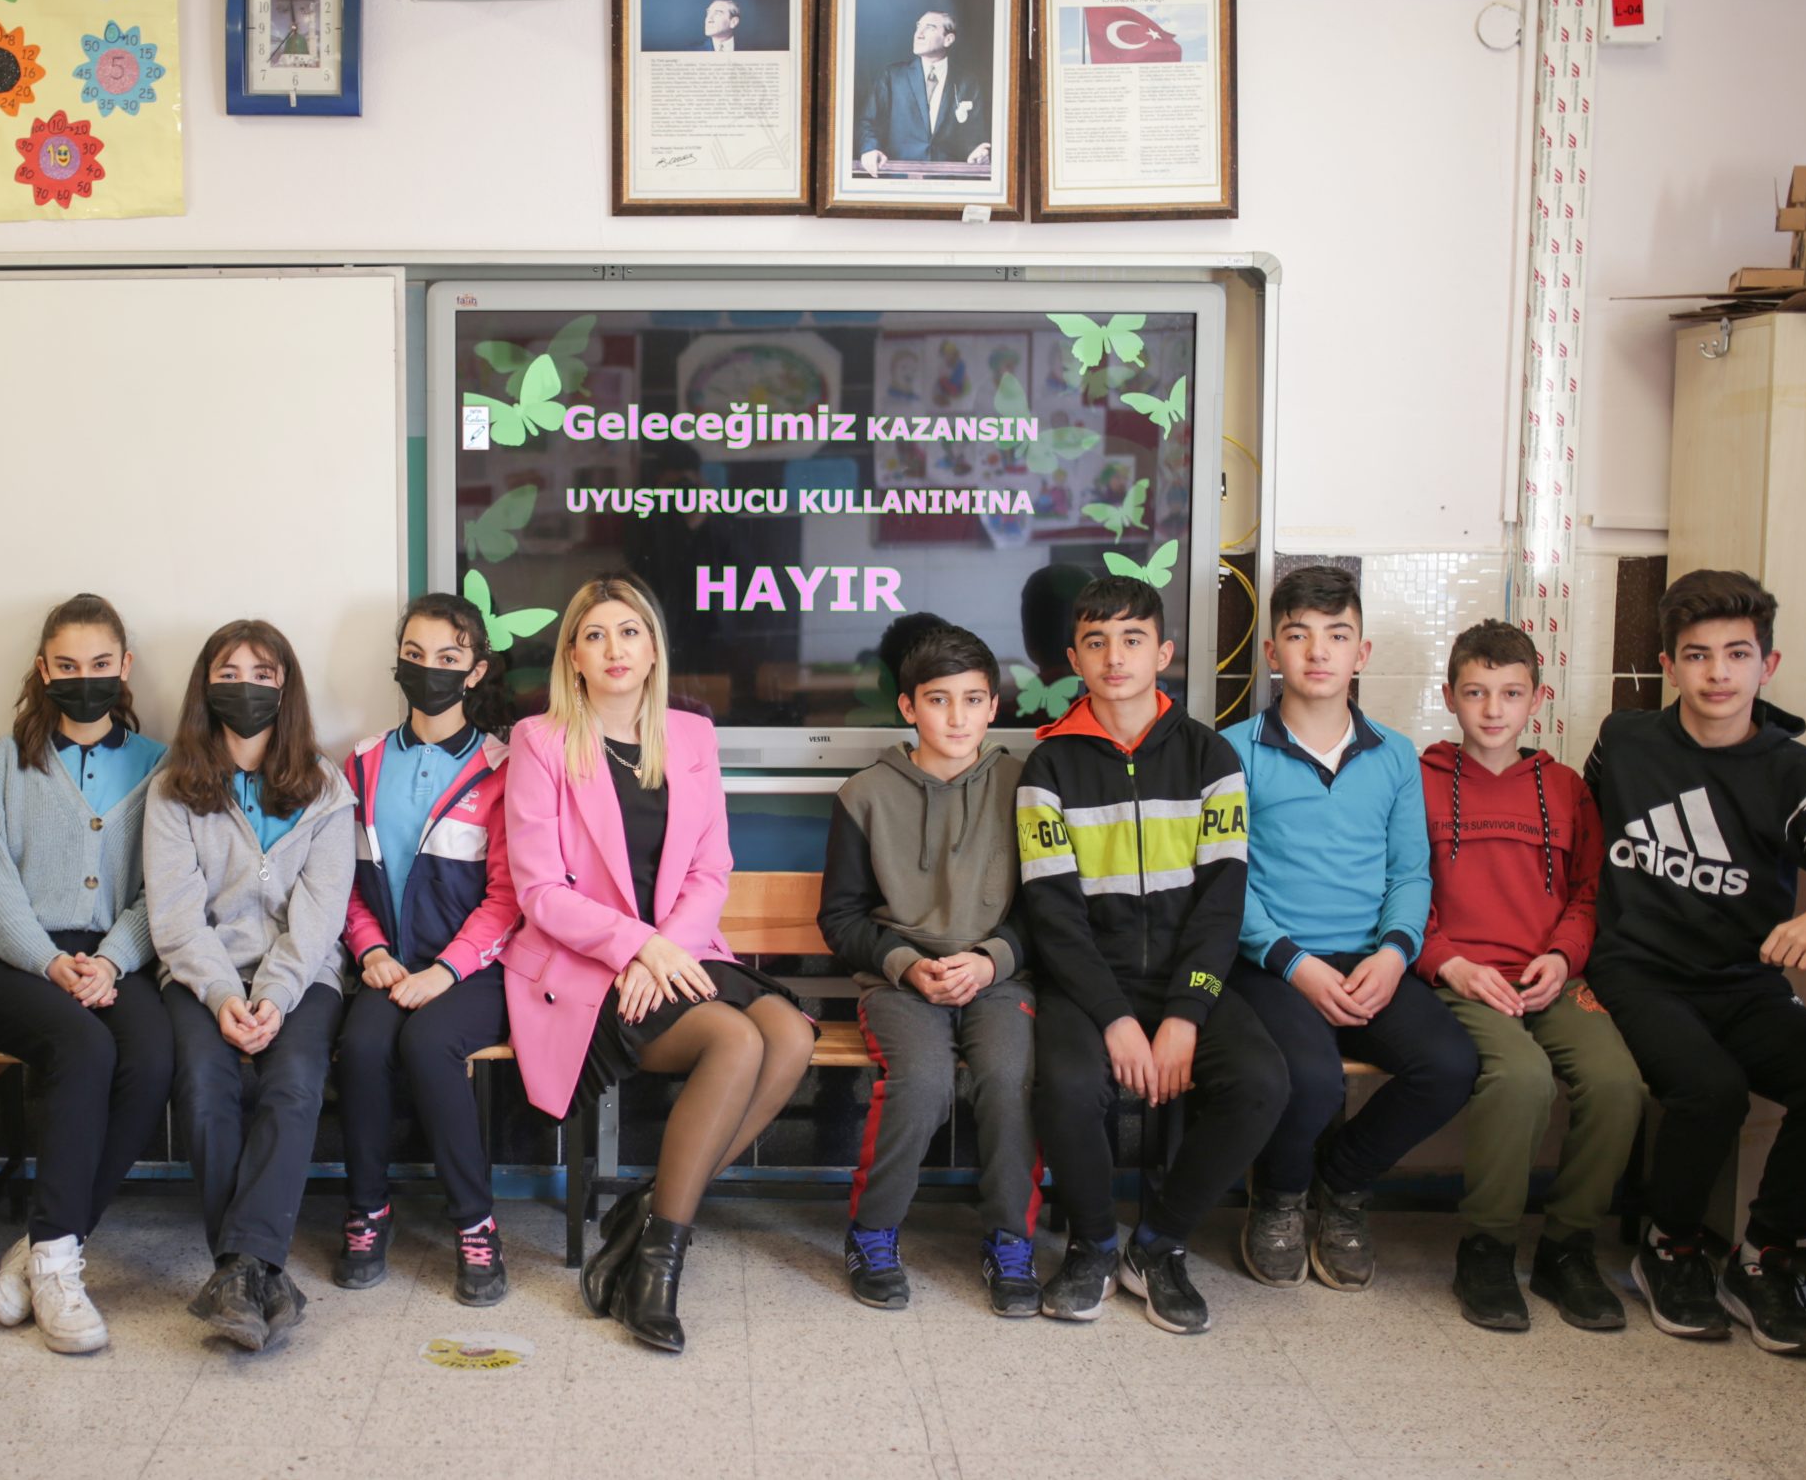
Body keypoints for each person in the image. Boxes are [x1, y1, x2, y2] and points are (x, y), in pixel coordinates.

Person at [503, 574, 814, 1354]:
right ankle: (657, 1268)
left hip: (680, 949)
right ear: (573, 657)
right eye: (596, 634)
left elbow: (712, 869)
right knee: (735, 1041)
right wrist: (638, 946)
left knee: (791, 1034)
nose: (615, 648)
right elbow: (540, 891)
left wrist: (666, 944)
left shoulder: (692, 735)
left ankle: (647, 1205)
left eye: (630, 632)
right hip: (585, 966)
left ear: (652, 651)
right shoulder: (539, 741)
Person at [1587, 570, 1806, 1356]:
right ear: (1668, 665)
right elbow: (1586, 832)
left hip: (1743, 981)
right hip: (1636, 969)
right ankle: (1670, 1247)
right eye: (1697, 654)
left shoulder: (1799, 773)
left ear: (1767, 665)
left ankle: (1764, 1258)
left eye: (1737, 654)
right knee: (1709, 1088)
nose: (1718, 672)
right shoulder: (1624, 740)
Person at [1021, 578, 1283, 1333]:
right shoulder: (1048, 766)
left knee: (1262, 1081)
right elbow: (1054, 915)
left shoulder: (1211, 756)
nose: (1115, 657)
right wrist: (1113, 1017)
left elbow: (1222, 901)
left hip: (1185, 980)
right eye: (1096, 642)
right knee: (1068, 1084)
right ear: (1074, 658)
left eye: (1132, 639)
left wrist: (1185, 1014)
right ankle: (1095, 1244)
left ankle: (1159, 1244)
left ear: (1163, 653)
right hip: (1087, 984)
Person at [1219, 566, 1476, 1292]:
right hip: (1272, 964)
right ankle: (1278, 1196)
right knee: (1311, 1078)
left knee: (1450, 1065)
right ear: (1272, 651)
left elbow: (1410, 874)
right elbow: (1224, 882)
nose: (1317, 652)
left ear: (1361, 653)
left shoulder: (1395, 754)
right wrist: (1293, 962)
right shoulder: (1232, 750)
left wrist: (1394, 955)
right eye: (1298, 635)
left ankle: (1344, 1181)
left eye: (1337, 636)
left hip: (1369, 960)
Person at [0, 594, 173, 1355]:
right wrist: (48, 960)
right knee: (83, 1047)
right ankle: (57, 1267)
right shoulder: (4, 761)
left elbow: (162, 887)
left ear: (124, 667)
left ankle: (42, 1248)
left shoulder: (159, 764)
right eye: (67, 664)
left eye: (100, 663)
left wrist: (111, 959)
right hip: (15, 959)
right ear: (43, 670)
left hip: (114, 957)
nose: (85, 677)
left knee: (152, 1056)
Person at [1422, 620, 1641, 1333]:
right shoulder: (1417, 780)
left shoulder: (1567, 787)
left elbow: (1590, 891)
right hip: (1462, 979)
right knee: (1521, 1077)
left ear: (1537, 699)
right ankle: (1487, 1248)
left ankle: (1567, 1247)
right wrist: (1447, 961)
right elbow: (1398, 889)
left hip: (1551, 975)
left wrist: (1564, 955)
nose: (1493, 709)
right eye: (1476, 692)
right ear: (1449, 696)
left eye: (1511, 693)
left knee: (1617, 1082)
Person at [819, 623, 1038, 1316]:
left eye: (973, 700)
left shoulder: (1025, 787)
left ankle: (1010, 1238)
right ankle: (873, 1232)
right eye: (939, 701)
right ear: (908, 706)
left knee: (1008, 1076)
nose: (957, 717)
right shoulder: (864, 794)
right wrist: (908, 966)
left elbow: (1047, 910)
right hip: (899, 980)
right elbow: (841, 918)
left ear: (994, 706)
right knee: (922, 1079)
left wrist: (991, 960)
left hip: (997, 977)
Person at [150, 620, 356, 1353]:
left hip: (301, 977)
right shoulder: (173, 787)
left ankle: (240, 1272)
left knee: (293, 1083)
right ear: (205, 686)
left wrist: (274, 994)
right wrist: (221, 995)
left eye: (263, 673)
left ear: (285, 686)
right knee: (206, 1086)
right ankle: (256, 1270)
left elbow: (321, 914)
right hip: (201, 975)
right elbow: (175, 917)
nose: (246, 686)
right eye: (228, 672)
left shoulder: (326, 788)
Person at [334, 593, 520, 1307]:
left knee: (430, 1043)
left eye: (448, 657)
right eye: (414, 654)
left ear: (475, 671)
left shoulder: (503, 768)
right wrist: (372, 951)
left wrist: (445, 971)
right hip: (389, 965)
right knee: (361, 1045)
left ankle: (476, 1223)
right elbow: (341, 880)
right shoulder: (361, 763)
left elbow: (508, 897)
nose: (428, 668)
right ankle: (367, 1210)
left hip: (476, 971)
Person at [856, 10, 993, 174]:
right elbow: (869, 122)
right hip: (900, 177)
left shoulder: (968, 83)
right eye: (918, 27)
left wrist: (977, 153)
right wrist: (870, 149)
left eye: (929, 28)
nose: (918, 34)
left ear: (948, 39)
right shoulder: (892, 76)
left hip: (948, 179)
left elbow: (974, 136)